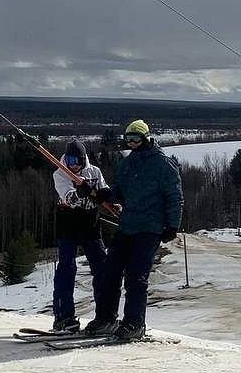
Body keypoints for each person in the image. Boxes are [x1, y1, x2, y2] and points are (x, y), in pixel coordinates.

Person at [80, 120, 183, 340]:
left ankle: (134, 323)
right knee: (110, 272)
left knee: (136, 276)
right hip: (127, 225)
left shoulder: (163, 164)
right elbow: (119, 191)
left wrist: (172, 225)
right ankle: (106, 319)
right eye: (128, 140)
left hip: (150, 228)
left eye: (136, 139)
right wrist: (103, 194)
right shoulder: (128, 163)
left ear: (146, 138)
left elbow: (174, 197)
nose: (132, 144)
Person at [50, 139, 107, 333]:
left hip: (91, 225)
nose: (73, 164)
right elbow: (68, 197)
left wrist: (107, 197)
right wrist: (80, 193)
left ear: (84, 159)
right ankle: (64, 318)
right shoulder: (60, 173)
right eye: (70, 160)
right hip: (68, 225)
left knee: (102, 268)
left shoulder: (94, 172)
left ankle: (105, 315)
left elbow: (103, 191)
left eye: (77, 160)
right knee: (67, 268)